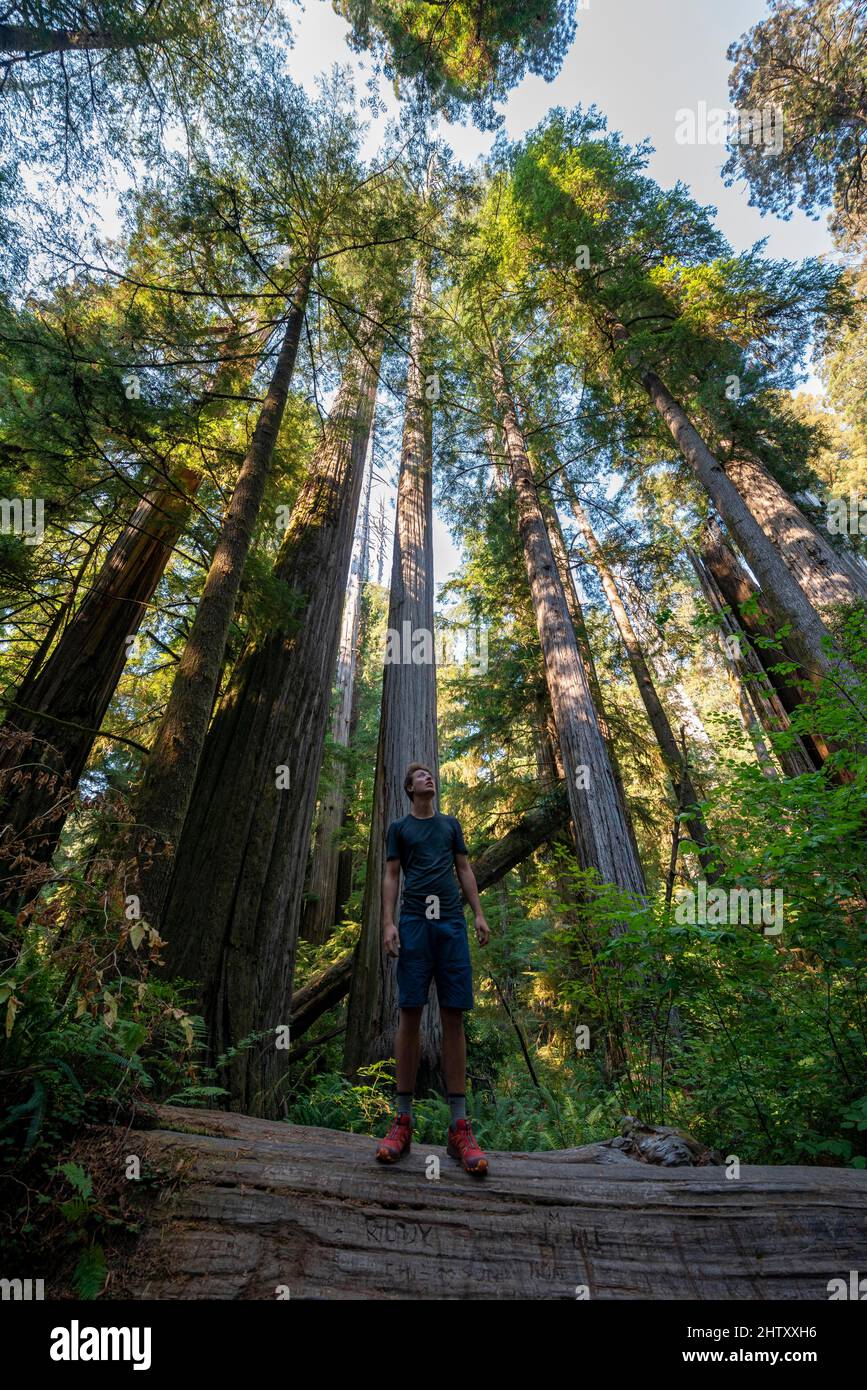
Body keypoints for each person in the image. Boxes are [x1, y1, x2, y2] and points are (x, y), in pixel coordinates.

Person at [374, 762, 491, 1175]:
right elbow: (391, 875)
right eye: (420, 775)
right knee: (409, 1013)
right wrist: (388, 923)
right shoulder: (399, 829)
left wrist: (477, 914)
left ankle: (459, 1127)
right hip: (413, 923)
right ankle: (402, 1121)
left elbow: (464, 869)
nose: (429, 777)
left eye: (430, 774)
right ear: (409, 788)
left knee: (454, 1014)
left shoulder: (450, 825)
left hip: (450, 926)